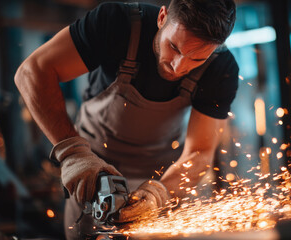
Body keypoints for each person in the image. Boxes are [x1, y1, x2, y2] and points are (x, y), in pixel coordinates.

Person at [15, 0, 238, 238]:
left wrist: (159, 194)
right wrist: (73, 153)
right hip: (91, 174)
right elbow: (31, 72)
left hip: (160, 178)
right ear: (162, 17)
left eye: (196, 60)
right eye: (174, 47)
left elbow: (200, 152)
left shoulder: (220, 69)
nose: (178, 66)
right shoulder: (117, 23)